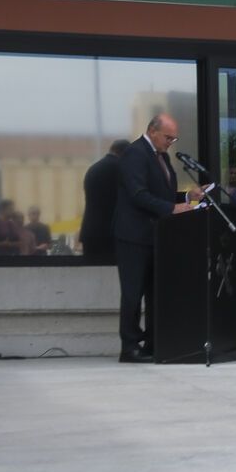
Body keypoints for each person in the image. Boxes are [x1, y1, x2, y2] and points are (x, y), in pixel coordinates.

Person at [115, 113, 203, 363]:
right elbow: (138, 194)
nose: (171, 142)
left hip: (157, 236)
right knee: (133, 293)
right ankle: (130, 346)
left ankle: (154, 342)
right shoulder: (135, 153)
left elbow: (162, 194)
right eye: (168, 137)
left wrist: (187, 197)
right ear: (152, 131)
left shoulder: (161, 157)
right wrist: (171, 209)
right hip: (133, 236)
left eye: (174, 139)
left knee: (155, 292)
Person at [79, 139, 131, 263]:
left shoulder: (94, 168)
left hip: (90, 233)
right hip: (110, 236)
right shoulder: (120, 169)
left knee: (93, 276)